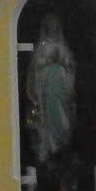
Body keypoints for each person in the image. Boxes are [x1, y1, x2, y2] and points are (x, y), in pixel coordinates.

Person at [25, 12, 76, 163]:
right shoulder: (43, 45)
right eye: (51, 27)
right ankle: (51, 147)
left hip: (61, 87)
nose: (53, 29)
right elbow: (36, 66)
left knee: (64, 121)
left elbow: (70, 64)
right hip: (48, 88)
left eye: (56, 27)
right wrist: (49, 60)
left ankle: (62, 145)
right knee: (50, 116)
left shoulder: (62, 45)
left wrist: (62, 61)